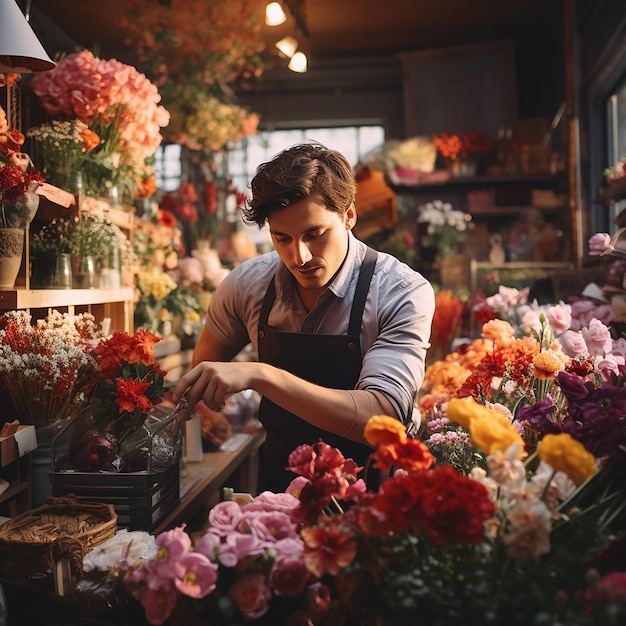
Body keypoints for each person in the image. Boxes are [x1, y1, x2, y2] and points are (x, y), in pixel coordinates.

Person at [172, 143, 435, 493]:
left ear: (348, 216)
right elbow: (200, 378)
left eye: (315, 234)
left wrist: (261, 375)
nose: (300, 256)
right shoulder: (246, 285)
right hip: (280, 488)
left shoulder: (399, 291)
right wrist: (210, 412)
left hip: (373, 494)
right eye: (282, 238)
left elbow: (383, 417)